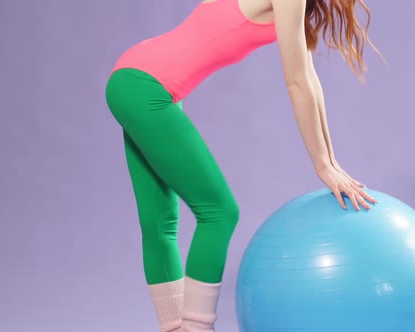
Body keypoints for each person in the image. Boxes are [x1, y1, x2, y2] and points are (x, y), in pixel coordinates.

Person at [105, 0, 381, 331]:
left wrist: (331, 161)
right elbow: (295, 82)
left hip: (134, 78)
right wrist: (321, 165)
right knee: (219, 212)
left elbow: (309, 78)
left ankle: (174, 328)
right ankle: (196, 328)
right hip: (145, 87)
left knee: (160, 221)